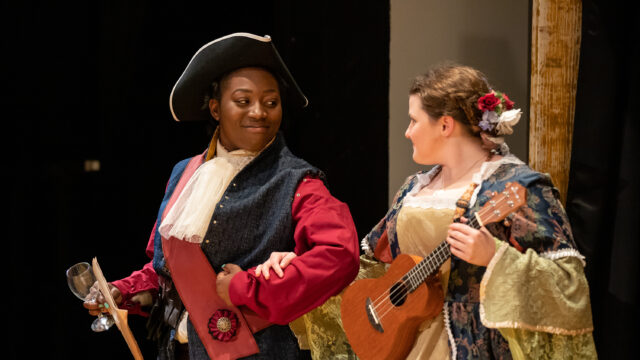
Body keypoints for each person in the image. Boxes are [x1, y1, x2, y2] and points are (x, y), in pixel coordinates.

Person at [84, 32, 360, 360]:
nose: (259, 112)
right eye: (243, 101)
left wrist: (248, 288)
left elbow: (339, 255)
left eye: (271, 103)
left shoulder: (297, 180)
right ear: (215, 108)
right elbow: (168, 273)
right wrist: (122, 291)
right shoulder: (183, 173)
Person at [356, 64, 597, 359]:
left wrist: (496, 256)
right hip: (405, 345)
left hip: (477, 347)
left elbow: (569, 288)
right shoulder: (414, 189)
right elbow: (373, 264)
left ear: (445, 126)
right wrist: (305, 262)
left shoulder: (515, 186)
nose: (407, 133)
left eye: (413, 121)